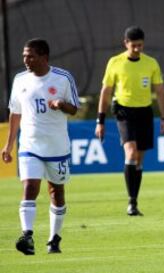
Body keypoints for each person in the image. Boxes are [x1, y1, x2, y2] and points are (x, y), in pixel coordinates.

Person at [1, 38, 80, 255]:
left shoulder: (63, 78)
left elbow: (74, 109)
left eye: (31, 56)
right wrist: (9, 145)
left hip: (57, 147)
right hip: (29, 145)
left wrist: (60, 104)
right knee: (30, 187)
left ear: (44, 57)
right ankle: (27, 236)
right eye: (24, 56)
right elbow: (15, 113)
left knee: (57, 192)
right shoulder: (19, 80)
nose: (26, 60)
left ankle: (54, 239)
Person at [95, 26, 164, 216]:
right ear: (125, 43)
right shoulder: (115, 62)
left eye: (140, 45)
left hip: (144, 112)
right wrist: (100, 120)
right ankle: (130, 202)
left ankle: (134, 201)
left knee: (139, 159)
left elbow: (160, 91)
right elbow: (106, 92)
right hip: (123, 111)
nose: (137, 49)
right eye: (133, 45)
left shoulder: (151, 63)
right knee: (131, 152)